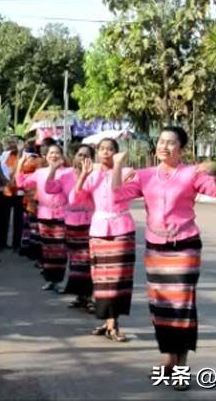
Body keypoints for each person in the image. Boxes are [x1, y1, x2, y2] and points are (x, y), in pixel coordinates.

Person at [111, 126, 216, 386]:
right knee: (161, 306)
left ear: (182, 149)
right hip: (155, 249)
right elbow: (117, 196)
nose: (164, 146)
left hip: (185, 246)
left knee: (182, 307)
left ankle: (181, 368)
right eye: (161, 141)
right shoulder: (144, 175)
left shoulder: (190, 173)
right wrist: (118, 166)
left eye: (171, 142)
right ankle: (168, 358)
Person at [70, 138, 137, 341]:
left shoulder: (128, 173)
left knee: (119, 279)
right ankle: (107, 322)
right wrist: (83, 174)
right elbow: (75, 199)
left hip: (122, 228)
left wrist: (117, 166)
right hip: (99, 229)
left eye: (110, 149)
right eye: (102, 149)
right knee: (101, 278)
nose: (106, 153)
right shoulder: (93, 175)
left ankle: (114, 323)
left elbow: (118, 195)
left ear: (117, 152)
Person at [45, 145, 96, 310]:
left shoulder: (95, 175)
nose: (82, 158)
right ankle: (80, 296)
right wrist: (52, 169)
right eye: (79, 154)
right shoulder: (66, 175)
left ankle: (89, 297)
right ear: (74, 157)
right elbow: (49, 188)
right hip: (71, 223)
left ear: (91, 159)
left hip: (89, 222)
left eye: (86, 155)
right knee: (76, 262)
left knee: (88, 262)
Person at [17, 144, 68, 291]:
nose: (54, 155)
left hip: (61, 215)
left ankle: (59, 280)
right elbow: (22, 184)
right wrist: (20, 164)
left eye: (57, 152)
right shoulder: (39, 172)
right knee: (47, 249)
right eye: (51, 152)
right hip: (44, 215)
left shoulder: (68, 172)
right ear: (46, 156)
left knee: (60, 249)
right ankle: (50, 279)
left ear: (62, 155)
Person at [0, 136, 25, 253]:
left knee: (18, 219)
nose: (12, 144)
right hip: (7, 190)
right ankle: (2, 242)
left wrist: (20, 152)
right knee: (4, 217)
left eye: (15, 142)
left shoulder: (27, 155)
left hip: (20, 191)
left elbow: (17, 170)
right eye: (10, 142)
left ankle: (17, 243)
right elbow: (7, 171)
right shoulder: (5, 155)